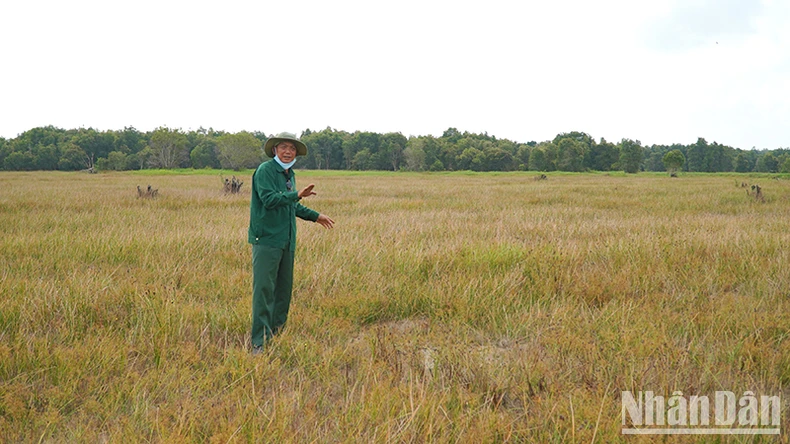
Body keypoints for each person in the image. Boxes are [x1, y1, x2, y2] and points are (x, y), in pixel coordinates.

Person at [248, 132, 334, 354]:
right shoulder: (265, 171)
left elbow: (290, 206)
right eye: (284, 147)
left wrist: (316, 216)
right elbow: (269, 200)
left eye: (292, 149)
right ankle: (259, 341)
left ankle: (276, 334)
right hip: (266, 239)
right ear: (275, 150)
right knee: (264, 291)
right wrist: (297, 194)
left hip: (287, 240)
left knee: (283, 290)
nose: (288, 152)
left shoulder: (289, 174)